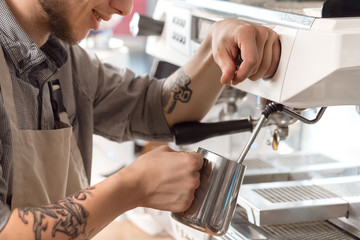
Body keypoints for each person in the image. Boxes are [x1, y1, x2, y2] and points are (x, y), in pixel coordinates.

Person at [0, 0, 280, 239]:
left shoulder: (66, 61)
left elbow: (157, 108)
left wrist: (216, 44)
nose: (125, 8)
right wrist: (134, 186)